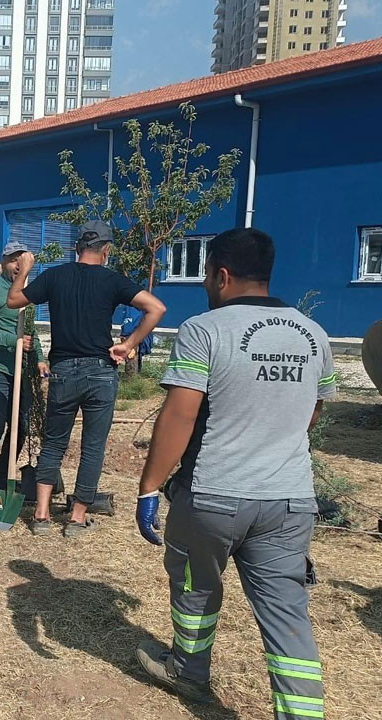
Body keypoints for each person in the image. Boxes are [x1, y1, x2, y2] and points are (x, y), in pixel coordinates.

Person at [133, 228, 335, 717]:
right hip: (289, 501)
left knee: (195, 585)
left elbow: (180, 416)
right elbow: (312, 413)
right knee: (286, 612)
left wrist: (149, 486)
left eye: (205, 275)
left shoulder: (205, 330)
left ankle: (188, 671)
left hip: (213, 495)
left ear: (220, 275)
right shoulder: (314, 334)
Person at [7, 220, 165, 537]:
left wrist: (23, 270)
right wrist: (129, 344)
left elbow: (14, 301)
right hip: (100, 371)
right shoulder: (112, 280)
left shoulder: (55, 276)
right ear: (106, 250)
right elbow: (156, 308)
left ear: (77, 247)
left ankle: (41, 515)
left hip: (64, 370)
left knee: (54, 444)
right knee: (93, 447)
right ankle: (77, 519)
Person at [0, 240, 48, 498]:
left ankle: (3, 474)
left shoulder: (27, 293)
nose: (17, 265)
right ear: (3, 262)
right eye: (13, 260)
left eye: (21, 260)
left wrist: (38, 357)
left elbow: (30, 331)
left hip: (20, 371)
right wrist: (12, 342)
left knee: (23, 425)